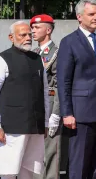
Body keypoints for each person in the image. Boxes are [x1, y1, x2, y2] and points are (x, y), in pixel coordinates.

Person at [57, 0, 96, 179]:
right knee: (80, 163)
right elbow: (64, 81)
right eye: (91, 14)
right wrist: (67, 112)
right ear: (79, 17)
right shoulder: (69, 42)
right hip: (80, 113)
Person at [0, 21, 50, 179]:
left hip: (35, 127)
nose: (28, 38)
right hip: (11, 128)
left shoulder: (37, 59)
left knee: (28, 172)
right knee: (8, 172)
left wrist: (46, 123)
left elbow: (44, 92)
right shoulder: (2, 59)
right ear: (11, 37)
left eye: (29, 34)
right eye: (23, 35)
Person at [30, 14, 62, 179]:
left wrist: (56, 113)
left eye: (37, 27)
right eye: (32, 27)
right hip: (35, 109)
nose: (33, 31)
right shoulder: (34, 52)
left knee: (49, 155)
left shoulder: (57, 53)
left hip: (49, 108)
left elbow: (59, 86)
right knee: (35, 157)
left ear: (48, 30)